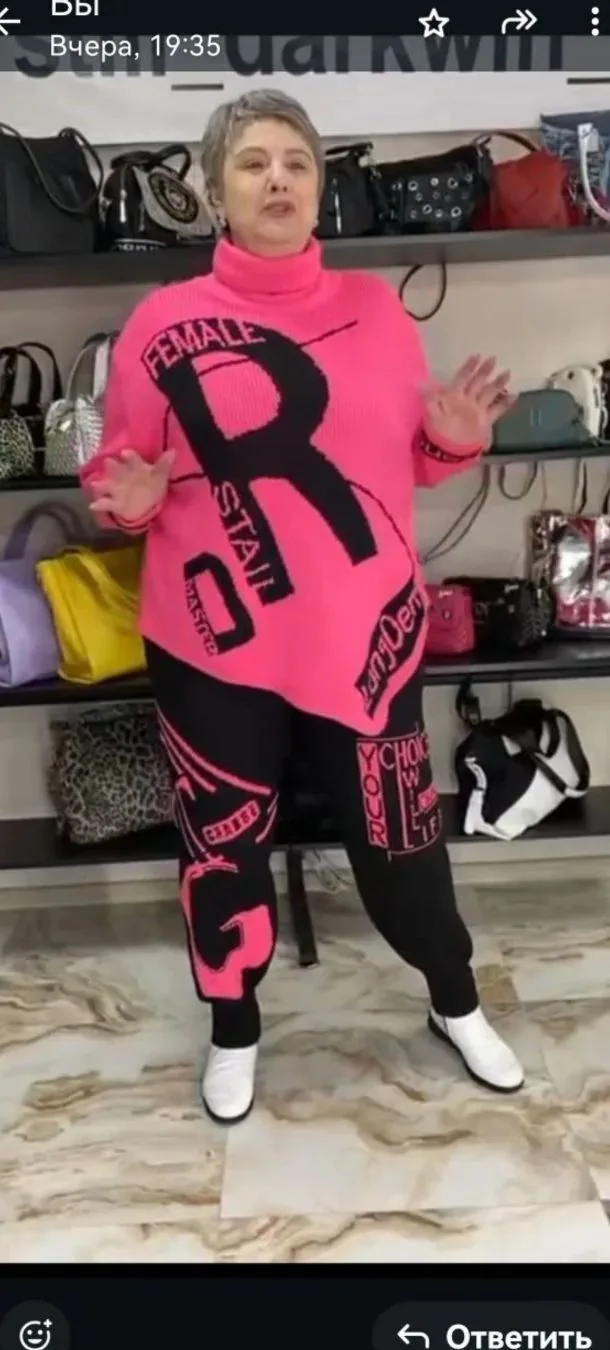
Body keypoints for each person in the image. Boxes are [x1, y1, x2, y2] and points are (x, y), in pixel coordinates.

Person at [81, 89, 524, 1125]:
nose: (277, 178)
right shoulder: (161, 323)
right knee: (221, 844)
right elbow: (120, 474)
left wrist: (456, 440)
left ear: (320, 187)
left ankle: (454, 1000)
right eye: (252, 163)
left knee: (401, 840)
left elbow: (407, 462)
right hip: (214, 645)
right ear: (215, 192)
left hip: (366, 638)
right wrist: (130, 497)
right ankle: (233, 1028)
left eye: (296, 162)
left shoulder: (375, 312)